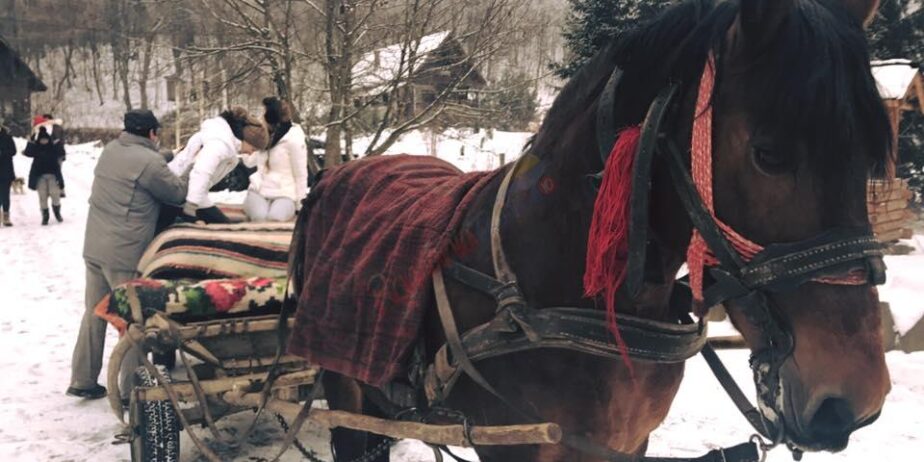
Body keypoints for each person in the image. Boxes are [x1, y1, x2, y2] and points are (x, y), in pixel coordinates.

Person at [68, 109, 187, 400]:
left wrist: (168, 156)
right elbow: (177, 193)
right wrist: (191, 167)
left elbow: (144, 163)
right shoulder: (149, 162)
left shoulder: (112, 150)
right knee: (135, 321)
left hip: (95, 248)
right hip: (124, 253)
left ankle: (82, 378)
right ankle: (132, 390)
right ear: (151, 134)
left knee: (93, 313)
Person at [167, 107, 269, 224]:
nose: (251, 153)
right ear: (245, 140)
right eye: (253, 148)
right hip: (176, 194)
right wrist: (190, 208)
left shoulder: (227, 144)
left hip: (191, 195)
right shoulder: (219, 144)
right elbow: (201, 172)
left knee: (225, 227)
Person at [242, 97, 308, 222]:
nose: (261, 118)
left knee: (274, 218)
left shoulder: (293, 139)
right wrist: (245, 143)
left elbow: (300, 175)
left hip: (285, 194)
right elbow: (249, 162)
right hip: (258, 191)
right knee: (259, 217)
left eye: (264, 114)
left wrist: (300, 206)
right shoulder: (264, 136)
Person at [23, 126, 65, 225]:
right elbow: (28, 152)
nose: (44, 141)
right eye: (42, 140)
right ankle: (45, 216)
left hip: (53, 175)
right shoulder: (36, 148)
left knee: (55, 194)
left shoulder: (53, 147)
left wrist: (57, 141)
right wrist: (30, 141)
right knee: (42, 196)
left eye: (45, 139)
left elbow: (61, 153)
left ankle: (57, 212)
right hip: (39, 176)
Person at [0, 122, 15, 227]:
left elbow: (13, 151)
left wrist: (2, 152)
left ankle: (6, 216)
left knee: (5, 195)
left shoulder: (7, 137)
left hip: (6, 170)